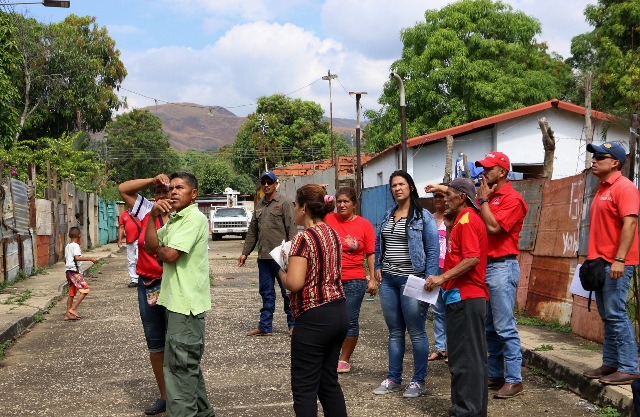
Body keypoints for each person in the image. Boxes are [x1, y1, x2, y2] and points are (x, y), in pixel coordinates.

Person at [144, 171, 215, 417]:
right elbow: (150, 246)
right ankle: (205, 413)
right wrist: (153, 217)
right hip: (175, 304)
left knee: (178, 371)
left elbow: (170, 255)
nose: (173, 192)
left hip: (186, 306)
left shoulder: (193, 219)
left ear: (193, 194)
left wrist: (162, 250)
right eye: (171, 188)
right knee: (186, 367)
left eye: (180, 188)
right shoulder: (175, 220)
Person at [278, 184, 348, 417]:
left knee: (305, 387)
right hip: (338, 311)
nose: (295, 210)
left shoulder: (303, 239)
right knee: (328, 382)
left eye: (296, 205)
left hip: (314, 316)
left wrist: (280, 269)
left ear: (304, 208)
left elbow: (295, 283)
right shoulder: (333, 234)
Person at [425, 178, 489, 417]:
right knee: (468, 357)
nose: (444, 199)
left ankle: (466, 411)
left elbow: (472, 258)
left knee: (465, 360)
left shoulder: (468, 220)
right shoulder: (462, 219)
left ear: (461, 197)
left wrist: (442, 278)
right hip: (462, 297)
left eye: (449, 194)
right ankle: (470, 409)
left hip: (466, 297)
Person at [372, 170, 439, 398]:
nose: (397, 188)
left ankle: (418, 381)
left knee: (417, 331)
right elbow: (379, 243)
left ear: (410, 187)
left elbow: (432, 250)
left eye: (401, 184)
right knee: (395, 331)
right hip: (388, 281)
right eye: (393, 185)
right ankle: (393, 378)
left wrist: (429, 278)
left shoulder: (423, 217)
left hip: (413, 281)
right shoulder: (388, 215)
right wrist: (377, 266)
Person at [581, 142, 640, 385]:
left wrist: (620, 259)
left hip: (616, 263)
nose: (594, 160)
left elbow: (631, 224)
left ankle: (629, 366)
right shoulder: (602, 187)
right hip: (600, 261)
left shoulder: (624, 187)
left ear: (615, 162)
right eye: (593, 156)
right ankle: (612, 361)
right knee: (607, 315)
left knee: (616, 314)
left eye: (600, 157)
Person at [475, 151, 528, 399]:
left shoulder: (512, 199)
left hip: (502, 267)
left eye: (489, 168)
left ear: (502, 172)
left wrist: (483, 202)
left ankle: (514, 379)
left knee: (505, 326)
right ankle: (495, 374)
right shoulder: (489, 196)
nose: (484, 172)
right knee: (489, 328)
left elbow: (495, 228)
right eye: (483, 167)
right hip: (487, 266)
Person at [118, 174, 171, 416]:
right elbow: (123, 189)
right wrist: (152, 180)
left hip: (173, 285)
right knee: (156, 343)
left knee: (178, 341)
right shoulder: (146, 210)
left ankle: (182, 393)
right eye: (157, 192)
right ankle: (164, 396)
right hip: (149, 285)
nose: (162, 195)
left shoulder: (181, 215)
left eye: (166, 191)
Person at [324, 186, 377, 373]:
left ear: (354, 204)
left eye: (346, 201)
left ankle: (344, 359)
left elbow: (371, 253)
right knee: (330, 320)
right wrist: (324, 195)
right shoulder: (329, 218)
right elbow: (314, 208)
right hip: (331, 279)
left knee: (350, 320)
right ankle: (330, 354)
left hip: (355, 280)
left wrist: (372, 279)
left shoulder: (364, 225)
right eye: (339, 201)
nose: (342, 205)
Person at [238, 171, 296, 336]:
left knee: (288, 292)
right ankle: (265, 327)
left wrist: (293, 256)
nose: (266, 185)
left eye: (269, 182)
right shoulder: (260, 205)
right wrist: (245, 253)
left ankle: (293, 325)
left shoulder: (284, 203)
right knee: (266, 292)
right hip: (264, 257)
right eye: (263, 182)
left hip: (281, 257)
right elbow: (252, 232)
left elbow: (291, 229)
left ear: (275, 183)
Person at [426, 188, 448, 363]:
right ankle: (441, 348)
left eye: (441, 196)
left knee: (453, 308)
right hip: (434, 269)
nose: (438, 199)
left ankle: (453, 348)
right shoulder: (429, 219)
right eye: (435, 197)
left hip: (450, 269)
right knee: (438, 309)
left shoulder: (454, 218)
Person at [64, 226, 97, 321]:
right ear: (79, 236)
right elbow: (77, 258)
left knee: (71, 293)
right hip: (74, 272)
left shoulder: (68, 246)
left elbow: (65, 260)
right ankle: (73, 309)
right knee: (85, 290)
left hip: (68, 271)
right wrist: (91, 259)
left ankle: (67, 314)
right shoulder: (76, 246)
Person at [118, 209, 141, 288]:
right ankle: (134, 280)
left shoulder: (140, 211)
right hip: (129, 240)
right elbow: (121, 227)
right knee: (131, 261)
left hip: (140, 239)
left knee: (139, 258)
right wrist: (120, 239)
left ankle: (141, 278)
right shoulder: (124, 214)